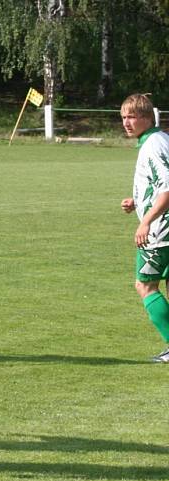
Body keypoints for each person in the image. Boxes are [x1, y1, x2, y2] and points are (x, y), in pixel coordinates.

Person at [119, 93, 169, 363]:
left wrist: (146, 221)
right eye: (123, 117)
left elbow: (168, 189)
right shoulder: (162, 139)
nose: (126, 122)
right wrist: (137, 201)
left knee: (145, 285)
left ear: (148, 118)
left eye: (132, 117)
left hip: (161, 230)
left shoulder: (152, 145)